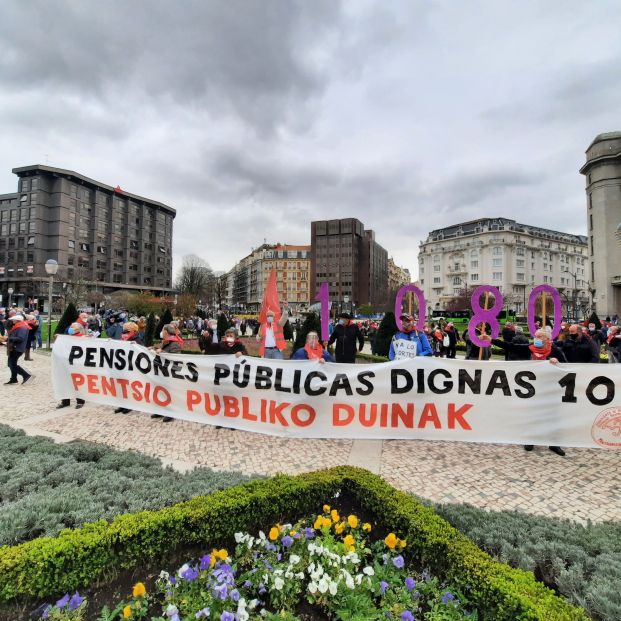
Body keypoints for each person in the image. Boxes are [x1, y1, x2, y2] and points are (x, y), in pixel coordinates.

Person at [487, 328, 567, 456]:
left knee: (552, 417)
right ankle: (530, 440)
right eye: (535, 336)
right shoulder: (530, 348)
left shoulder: (555, 350)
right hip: (533, 389)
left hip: (550, 390)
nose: (536, 339)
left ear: (547, 339)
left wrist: (556, 362)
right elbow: (511, 346)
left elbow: (566, 366)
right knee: (533, 415)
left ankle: (554, 444)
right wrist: (491, 340)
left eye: (540, 336)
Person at [150, 324, 183, 423]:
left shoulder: (175, 343)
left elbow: (175, 357)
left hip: (169, 372)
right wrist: (153, 349)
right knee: (160, 391)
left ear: (166, 332)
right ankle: (160, 410)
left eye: (162, 330)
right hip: (161, 371)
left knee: (169, 393)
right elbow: (160, 349)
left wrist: (163, 351)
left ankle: (170, 412)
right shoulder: (165, 342)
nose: (161, 332)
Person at [114, 322, 144, 414]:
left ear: (134, 331)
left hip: (131, 366)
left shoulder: (137, 340)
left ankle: (129, 405)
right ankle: (122, 405)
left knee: (129, 387)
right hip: (123, 366)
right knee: (122, 386)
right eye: (124, 329)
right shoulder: (123, 338)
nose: (125, 332)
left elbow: (140, 353)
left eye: (127, 330)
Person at [56, 322, 87, 409]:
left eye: (73, 327)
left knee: (77, 383)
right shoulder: (67, 337)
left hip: (77, 364)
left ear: (78, 329)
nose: (71, 329)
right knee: (65, 382)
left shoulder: (83, 338)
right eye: (71, 327)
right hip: (66, 363)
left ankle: (80, 401)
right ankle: (65, 401)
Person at [5, 315, 34, 385]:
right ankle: (13, 379)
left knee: (12, 365)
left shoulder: (22, 327)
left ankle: (26, 375)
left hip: (17, 348)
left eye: (13, 320)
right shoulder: (19, 326)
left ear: (17, 320)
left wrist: (9, 339)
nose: (12, 321)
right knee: (11, 364)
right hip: (14, 348)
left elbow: (21, 338)